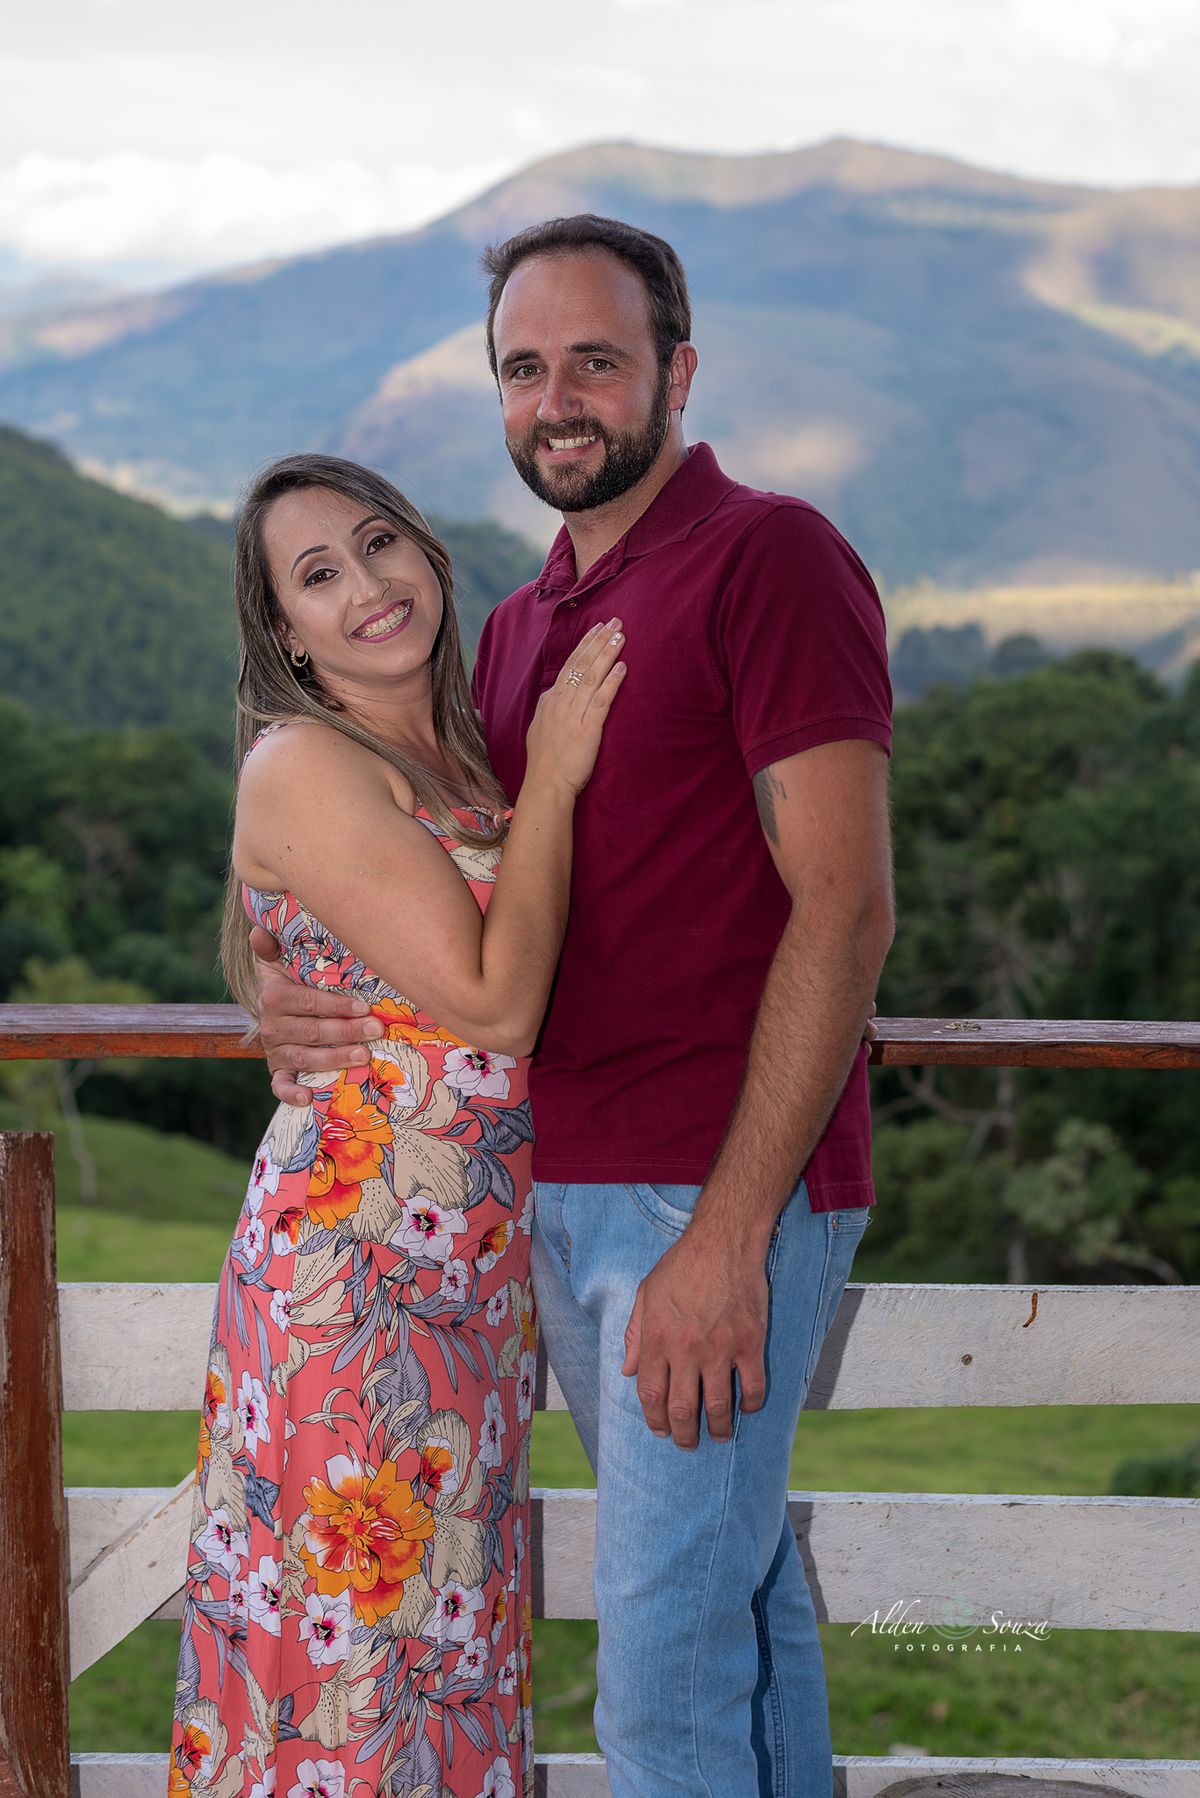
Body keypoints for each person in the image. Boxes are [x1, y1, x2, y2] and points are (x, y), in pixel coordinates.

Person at [254, 216, 894, 1798]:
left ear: (678, 371)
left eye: (596, 362)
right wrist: (284, 981)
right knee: (736, 1610)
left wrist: (730, 1234)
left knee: (661, 1691)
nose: (558, 401)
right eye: (524, 368)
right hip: (547, 1196)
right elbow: (449, 903)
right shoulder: (521, 631)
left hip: (711, 1190)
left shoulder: (771, 557)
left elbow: (847, 905)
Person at [169, 453, 627, 1798]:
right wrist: (559, 779)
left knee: (448, 1645)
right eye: (318, 574)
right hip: (353, 1279)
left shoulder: (468, 745)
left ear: (428, 549)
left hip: (470, 1281)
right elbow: (494, 1002)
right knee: (361, 1663)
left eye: (379, 543)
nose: (367, 584)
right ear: (288, 635)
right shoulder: (306, 763)